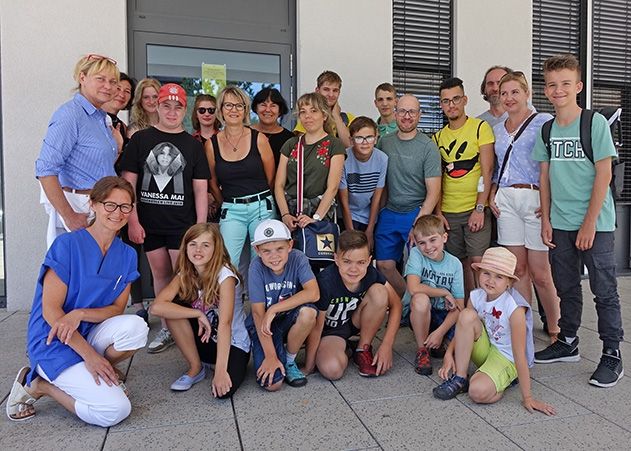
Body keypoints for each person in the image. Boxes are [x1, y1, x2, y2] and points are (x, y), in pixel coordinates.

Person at [6, 176, 149, 426]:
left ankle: (91, 366)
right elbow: (51, 311)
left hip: (89, 331)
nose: (118, 213)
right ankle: (41, 385)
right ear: (93, 204)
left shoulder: (126, 254)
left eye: (125, 206)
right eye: (110, 205)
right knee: (115, 410)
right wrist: (91, 357)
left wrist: (81, 314)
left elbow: (117, 309)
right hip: (53, 339)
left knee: (138, 328)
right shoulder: (67, 245)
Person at [532, 54, 624, 388]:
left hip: (595, 224)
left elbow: (604, 173)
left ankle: (612, 352)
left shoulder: (594, 123)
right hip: (560, 223)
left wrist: (589, 223)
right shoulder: (547, 129)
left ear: (578, 87)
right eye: (553, 85)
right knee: (566, 286)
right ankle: (567, 341)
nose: (559, 90)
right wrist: (547, 220)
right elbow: (544, 177)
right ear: (546, 89)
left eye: (566, 84)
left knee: (604, 290)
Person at [121, 83, 210, 354]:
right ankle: (168, 328)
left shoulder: (193, 145)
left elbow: (200, 189)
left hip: (182, 225)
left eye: (178, 107)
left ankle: (194, 325)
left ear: (185, 110)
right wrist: (133, 221)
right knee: (160, 276)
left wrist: (201, 228)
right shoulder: (141, 140)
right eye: (166, 106)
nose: (172, 112)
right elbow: (129, 184)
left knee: (186, 277)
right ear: (156, 107)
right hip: (150, 223)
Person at [432, 247, 556, 417]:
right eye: (486, 273)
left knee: (477, 392)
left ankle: (505, 379)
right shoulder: (476, 296)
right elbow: (463, 328)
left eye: (499, 276)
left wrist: (528, 398)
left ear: (509, 283)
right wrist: (449, 354)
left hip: (506, 357)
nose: (490, 281)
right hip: (487, 348)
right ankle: (460, 378)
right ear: (479, 273)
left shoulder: (514, 308)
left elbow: (520, 354)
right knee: (467, 315)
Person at [489, 71, 560, 341]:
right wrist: (493, 193)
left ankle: (556, 328)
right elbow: (497, 168)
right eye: (504, 93)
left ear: (526, 93)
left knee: (541, 271)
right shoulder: (498, 128)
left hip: (534, 199)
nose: (508, 98)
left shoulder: (544, 122)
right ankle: (525, 327)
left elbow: (553, 166)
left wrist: (550, 201)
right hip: (507, 200)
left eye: (514, 92)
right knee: (517, 271)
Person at [149, 223, 250, 397]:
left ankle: (214, 366)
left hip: (232, 344)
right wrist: (197, 313)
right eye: (193, 244)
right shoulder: (185, 274)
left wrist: (220, 372)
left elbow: (225, 324)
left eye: (206, 245)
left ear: (216, 248)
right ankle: (196, 368)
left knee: (223, 393)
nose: (198, 250)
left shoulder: (225, 276)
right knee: (171, 310)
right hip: (205, 339)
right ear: (185, 247)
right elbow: (156, 307)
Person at [36, 54, 121, 248]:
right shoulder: (70, 115)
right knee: (75, 273)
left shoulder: (100, 117)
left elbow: (96, 165)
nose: (108, 86)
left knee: (98, 273)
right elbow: (45, 170)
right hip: (80, 207)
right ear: (82, 78)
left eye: (113, 81)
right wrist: (69, 216)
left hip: (102, 209)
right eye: (100, 79)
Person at [305, 230, 401, 379]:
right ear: (336, 259)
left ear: (369, 261)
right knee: (333, 370)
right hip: (329, 332)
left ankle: (363, 349)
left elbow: (396, 305)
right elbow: (317, 328)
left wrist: (387, 345)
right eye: (347, 261)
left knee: (380, 292)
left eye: (360, 262)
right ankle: (347, 350)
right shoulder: (326, 281)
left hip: (352, 323)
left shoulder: (370, 273)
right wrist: (309, 365)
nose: (354, 269)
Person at [374, 94, 442, 297]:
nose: (407, 116)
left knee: (420, 267)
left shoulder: (428, 147)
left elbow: (434, 191)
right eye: (402, 111)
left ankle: (422, 308)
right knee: (384, 264)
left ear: (419, 115)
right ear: (395, 114)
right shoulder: (384, 143)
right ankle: (407, 301)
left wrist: (418, 223)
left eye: (412, 112)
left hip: (416, 211)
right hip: (390, 211)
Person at [432, 77, 495, 296]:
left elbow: (487, 170)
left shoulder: (480, 128)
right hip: (449, 211)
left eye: (456, 99)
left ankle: (485, 310)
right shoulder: (437, 138)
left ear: (465, 100)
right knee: (459, 264)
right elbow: (437, 178)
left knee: (478, 261)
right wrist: (438, 212)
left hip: (474, 209)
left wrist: (479, 208)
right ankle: (469, 307)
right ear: (441, 105)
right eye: (446, 101)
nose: (451, 105)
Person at [205, 85, 276, 267]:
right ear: (220, 110)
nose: (234, 110)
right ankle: (232, 297)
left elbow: (271, 178)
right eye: (228, 105)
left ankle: (257, 297)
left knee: (261, 261)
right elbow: (212, 183)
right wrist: (227, 202)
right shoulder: (211, 144)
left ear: (245, 110)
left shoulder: (259, 138)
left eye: (239, 105)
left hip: (261, 205)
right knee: (227, 263)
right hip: (232, 208)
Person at [245, 219, 320, 390]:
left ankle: (289, 361)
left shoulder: (298, 258)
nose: (274, 256)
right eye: (266, 251)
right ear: (257, 250)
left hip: (288, 318)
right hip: (264, 325)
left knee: (308, 313)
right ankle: (274, 355)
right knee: (273, 384)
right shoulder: (255, 267)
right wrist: (270, 356)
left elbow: (313, 293)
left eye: (279, 248)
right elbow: (257, 313)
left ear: (290, 245)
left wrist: (274, 308)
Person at [275, 92, 345, 270]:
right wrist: (285, 215)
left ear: (324, 114)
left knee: (317, 265)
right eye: (303, 111)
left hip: (318, 213)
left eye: (313, 111)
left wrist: (315, 217)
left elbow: (333, 187)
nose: (307, 116)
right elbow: (279, 185)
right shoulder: (290, 145)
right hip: (291, 214)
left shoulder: (334, 145)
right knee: (290, 266)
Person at [403, 215, 465, 375]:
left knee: (460, 348)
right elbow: (413, 287)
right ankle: (422, 350)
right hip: (422, 312)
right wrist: (444, 292)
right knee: (420, 298)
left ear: (444, 237)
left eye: (433, 240)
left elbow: (460, 305)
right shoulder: (416, 254)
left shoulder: (455, 264)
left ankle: (438, 341)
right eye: (422, 242)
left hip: (445, 316)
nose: (428, 247)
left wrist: (440, 332)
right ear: (416, 243)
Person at [338, 116, 388, 250]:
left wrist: (370, 231)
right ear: (351, 140)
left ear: (376, 138)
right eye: (359, 138)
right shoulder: (344, 158)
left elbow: (377, 199)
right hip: (348, 215)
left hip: (370, 215)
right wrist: (350, 232)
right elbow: (344, 201)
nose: (365, 142)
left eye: (369, 137)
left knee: (367, 253)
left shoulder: (382, 159)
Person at [294, 71, 354, 147]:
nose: (331, 94)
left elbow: (349, 145)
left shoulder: (348, 118)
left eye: (335, 90)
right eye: (326, 89)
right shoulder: (308, 116)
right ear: (317, 91)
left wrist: (337, 116)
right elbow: (304, 147)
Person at [251, 87, 294, 166]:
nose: (267, 110)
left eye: (273, 106)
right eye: (263, 105)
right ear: (256, 108)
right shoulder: (245, 133)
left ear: (280, 110)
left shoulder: (290, 139)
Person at [103, 72, 136, 162]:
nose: (122, 95)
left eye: (127, 91)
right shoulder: (92, 119)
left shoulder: (123, 127)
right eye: (118, 89)